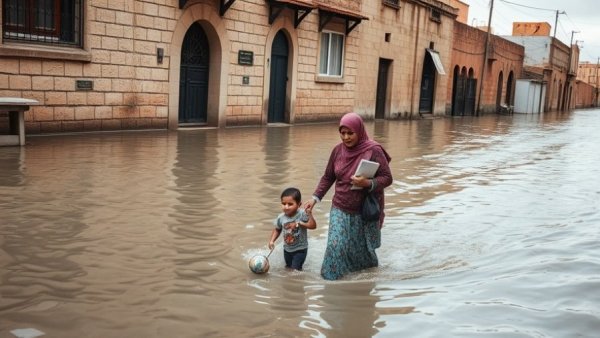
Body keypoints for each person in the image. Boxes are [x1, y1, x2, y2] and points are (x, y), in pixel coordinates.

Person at [303, 112, 392, 280]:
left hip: (364, 211)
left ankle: (363, 283)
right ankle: (330, 282)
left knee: (363, 252)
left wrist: (367, 183)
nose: (346, 137)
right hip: (340, 208)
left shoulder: (373, 150)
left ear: (360, 131)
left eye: (350, 133)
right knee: (335, 246)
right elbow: (328, 176)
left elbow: (387, 178)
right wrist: (315, 198)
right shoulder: (337, 151)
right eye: (342, 133)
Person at [268, 187, 317, 271]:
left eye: (290, 204)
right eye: (283, 203)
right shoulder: (281, 217)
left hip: (300, 249)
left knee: (295, 271)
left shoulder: (302, 214)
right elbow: (277, 229)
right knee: (288, 267)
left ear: (299, 204)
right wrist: (272, 241)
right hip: (287, 249)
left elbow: (313, 226)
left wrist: (308, 215)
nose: (286, 207)